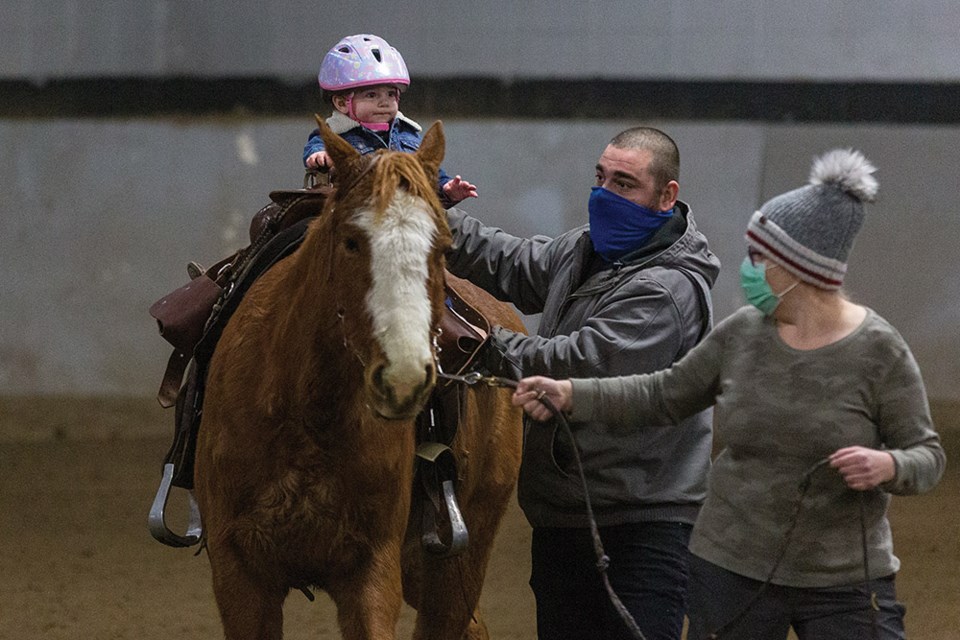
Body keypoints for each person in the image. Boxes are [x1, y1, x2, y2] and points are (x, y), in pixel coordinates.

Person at [512, 149, 946, 640]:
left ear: (800, 267)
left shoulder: (880, 352)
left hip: (843, 578)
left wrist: (890, 466)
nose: (749, 269)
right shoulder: (742, 334)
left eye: (761, 258)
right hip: (731, 571)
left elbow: (927, 456)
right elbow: (665, 393)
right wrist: (572, 393)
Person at [446, 126, 720, 640]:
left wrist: (475, 341)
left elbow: (575, 364)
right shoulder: (585, 250)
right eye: (600, 177)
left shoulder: (664, 290)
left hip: (640, 527)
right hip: (566, 513)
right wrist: (433, 217)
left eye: (624, 183)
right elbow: (512, 262)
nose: (603, 194)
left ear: (667, 196)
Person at [302, 33, 476, 207]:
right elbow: (317, 145)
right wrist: (319, 155)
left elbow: (429, 171)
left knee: (474, 232)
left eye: (391, 94)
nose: (384, 102)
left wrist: (446, 188)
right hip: (361, 209)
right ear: (341, 103)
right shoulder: (335, 134)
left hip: (415, 208)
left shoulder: (407, 133)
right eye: (371, 95)